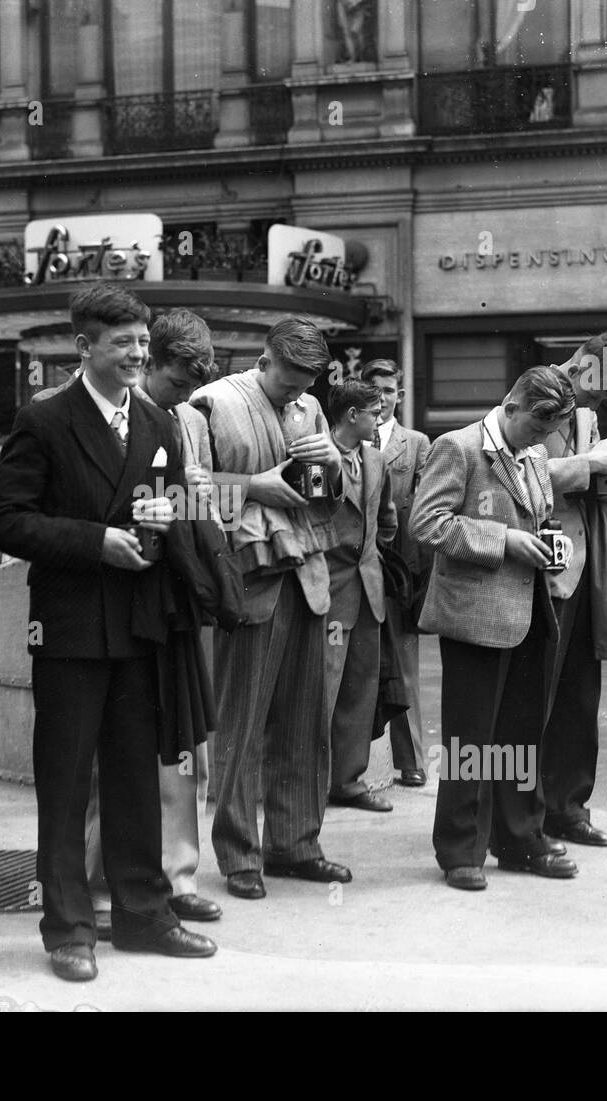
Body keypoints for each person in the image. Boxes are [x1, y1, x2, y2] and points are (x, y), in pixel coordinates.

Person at [0, 284, 218, 982]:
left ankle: (144, 913)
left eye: (142, 344)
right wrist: (97, 541)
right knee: (64, 782)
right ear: (84, 347)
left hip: (140, 624)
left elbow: (171, 502)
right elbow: (5, 519)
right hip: (72, 629)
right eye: (124, 345)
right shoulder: (44, 419)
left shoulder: (156, 422)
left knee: (136, 778)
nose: (137, 354)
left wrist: (164, 522)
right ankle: (68, 928)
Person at [190, 315, 349, 900]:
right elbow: (179, 492)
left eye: (308, 383)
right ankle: (239, 856)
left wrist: (332, 465)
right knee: (242, 725)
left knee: (307, 721)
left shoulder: (310, 409)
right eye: (288, 382)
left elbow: (326, 498)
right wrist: (254, 487)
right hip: (247, 581)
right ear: (263, 360)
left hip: (307, 578)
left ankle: (296, 845)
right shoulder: (210, 402)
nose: (298, 394)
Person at [409, 366, 579, 892]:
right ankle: (461, 850)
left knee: (522, 735)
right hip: (474, 620)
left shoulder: (534, 452)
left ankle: (520, 838)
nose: (539, 441)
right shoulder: (457, 448)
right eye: (534, 428)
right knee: (471, 741)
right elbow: (426, 523)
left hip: (529, 612)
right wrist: (503, 540)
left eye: (546, 435)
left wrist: (552, 545)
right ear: (511, 405)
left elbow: (538, 518)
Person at [540, 332, 607, 848]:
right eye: (603, 388)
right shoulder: (535, 391)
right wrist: (589, 465)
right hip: (544, 571)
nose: (604, 401)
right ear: (582, 364)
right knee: (540, 697)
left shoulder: (587, 408)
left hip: (586, 567)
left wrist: (606, 474)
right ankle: (526, 814)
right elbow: (512, 472)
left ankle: (569, 809)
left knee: (580, 694)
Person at [324, 379, 397, 812]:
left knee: (359, 688)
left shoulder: (375, 459)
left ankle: (348, 781)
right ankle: (311, 781)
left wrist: (372, 556)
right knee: (320, 690)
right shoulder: (317, 453)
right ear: (352, 415)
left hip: (367, 587)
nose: (380, 417)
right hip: (326, 589)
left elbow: (385, 518)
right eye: (374, 411)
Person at [361, 359, 432, 788]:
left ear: (399, 395)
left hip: (399, 569)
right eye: (376, 389)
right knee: (359, 664)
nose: (383, 397)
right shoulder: (349, 436)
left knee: (405, 667)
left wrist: (421, 576)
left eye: (390, 390)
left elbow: (425, 511)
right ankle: (358, 762)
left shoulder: (417, 443)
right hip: (358, 565)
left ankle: (412, 760)